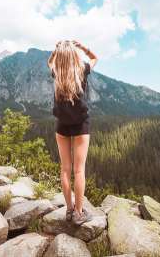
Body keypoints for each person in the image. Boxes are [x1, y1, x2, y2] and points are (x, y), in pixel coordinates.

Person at [47, 40, 98, 225]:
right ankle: (78, 212)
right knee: (79, 169)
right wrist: (83, 47)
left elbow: (50, 63)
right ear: (74, 54)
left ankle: (69, 210)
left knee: (65, 170)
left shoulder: (56, 73)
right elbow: (95, 57)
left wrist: (55, 51)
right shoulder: (82, 69)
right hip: (81, 126)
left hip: (62, 125)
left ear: (60, 56)